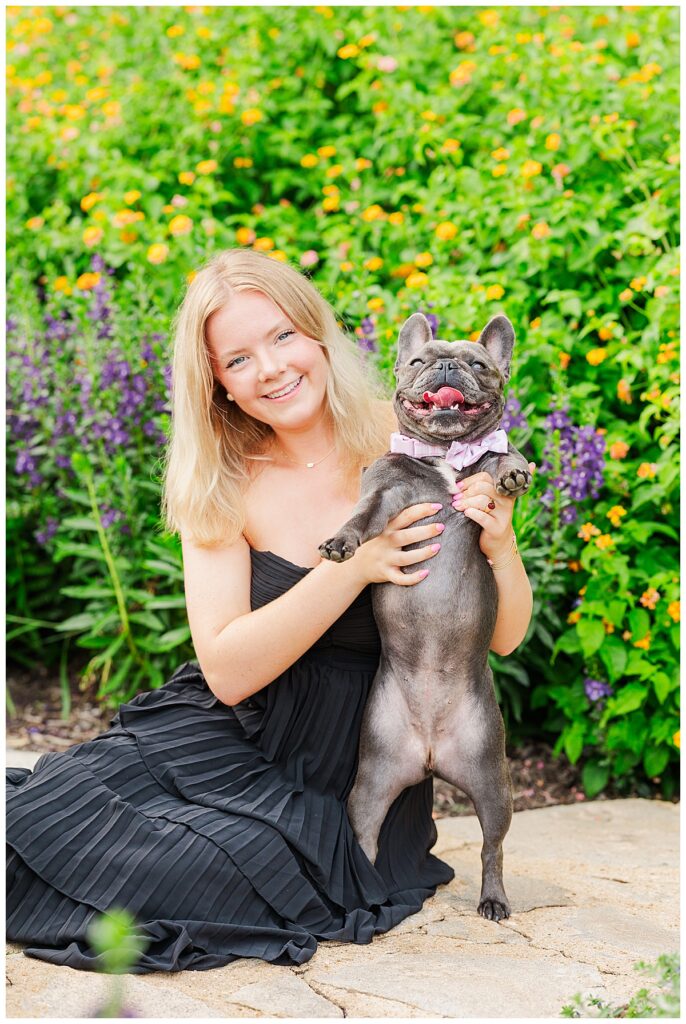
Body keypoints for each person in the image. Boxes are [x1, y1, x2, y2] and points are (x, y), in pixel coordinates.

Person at [6, 249, 533, 973]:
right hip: (237, 731)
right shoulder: (221, 481)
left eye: (283, 337)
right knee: (59, 819)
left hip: (357, 756)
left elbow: (501, 640)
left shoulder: (417, 435)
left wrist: (502, 546)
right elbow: (225, 673)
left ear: (318, 335)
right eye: (239, 358)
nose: (273, 368)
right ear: (217, 382)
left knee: (189, 875)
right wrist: (356, 570)